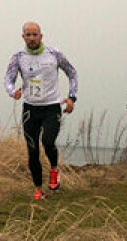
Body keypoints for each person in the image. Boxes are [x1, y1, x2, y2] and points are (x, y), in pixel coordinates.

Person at [4, 22, 78, 200]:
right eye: (28, 35)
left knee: (48, 141)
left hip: (52, 107)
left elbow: (72, 73)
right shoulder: (18, 57)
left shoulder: (54, 54)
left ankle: (54, 169)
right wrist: (12, 91)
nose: (31, 38)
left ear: (41, 36)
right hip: (31, 109)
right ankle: (38, 189)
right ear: (23, 37)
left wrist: (72, 97)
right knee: (32, 150)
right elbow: (8, 78)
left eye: (34, 35)